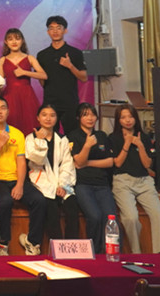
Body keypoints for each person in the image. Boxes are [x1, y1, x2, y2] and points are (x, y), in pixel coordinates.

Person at [0, 96, 45, 256]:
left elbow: (21, 162)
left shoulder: (17, 133)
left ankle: (32, 242)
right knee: (4, 202)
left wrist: (20, 185)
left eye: (3, 108)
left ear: (8, 111)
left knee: (39, 200)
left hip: (15, 179)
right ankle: (2, 244)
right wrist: (0, 144)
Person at [110, 104, 160, 253]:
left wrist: (140, 145)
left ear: (135, 118)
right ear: (118, 120)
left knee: (157, 214)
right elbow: (117, 163)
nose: (128, 120)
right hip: (123, 181)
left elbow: (147, 164)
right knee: (130, 218)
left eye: (130, 117)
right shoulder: (113, 138)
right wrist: (127, 143)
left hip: (144, 181)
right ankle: (136, 252)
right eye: (123, 117)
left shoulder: (144, 137)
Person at [24, 104, 79, 249]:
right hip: (42, 182)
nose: (48, 118)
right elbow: (37, 160)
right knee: (51, 208)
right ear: (38, 118)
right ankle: (58, 248)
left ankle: (72, 248)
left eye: (52, 115)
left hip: (61, 182)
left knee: (72, 205)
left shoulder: (62, 139)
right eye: (44, 115)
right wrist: (40, 141)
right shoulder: (31, 138)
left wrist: (62, 185)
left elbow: (67, 164)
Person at [69, 103, 117, 254]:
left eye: (92, 114)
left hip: (102, 184)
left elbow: (110, 162)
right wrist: (87, 146)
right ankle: (93, 251)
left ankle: (110, 251)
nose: (90, 118)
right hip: (83, 184)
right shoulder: (73, 136)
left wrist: (88, 163)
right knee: (95, 216)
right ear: (78, 118)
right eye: (85, 115)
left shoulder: (102, 135)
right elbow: (79, 161)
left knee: (110, 217)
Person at [37, 16, 87, 135]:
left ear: (65, 30)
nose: (55, 31)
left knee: (72, 135)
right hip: (50, 102)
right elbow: (41, 79)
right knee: (50, 136)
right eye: (51, 28)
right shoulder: (42, 55)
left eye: (59, 28)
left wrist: (70, 66)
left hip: (70, 102)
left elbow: (84, 77)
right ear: (48, 32)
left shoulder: (75, 53)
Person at [0, 28, 47, 135]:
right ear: (6, 42)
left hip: (27, 96)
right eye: (10, 39)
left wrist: (24, 72)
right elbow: (0, 83)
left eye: (17, 38)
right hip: (9, 96)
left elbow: (43, 75)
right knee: (11, 127)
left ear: (22, 41)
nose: (14, 42)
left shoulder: (30, 58)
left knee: (30, 126)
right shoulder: (2, 60)